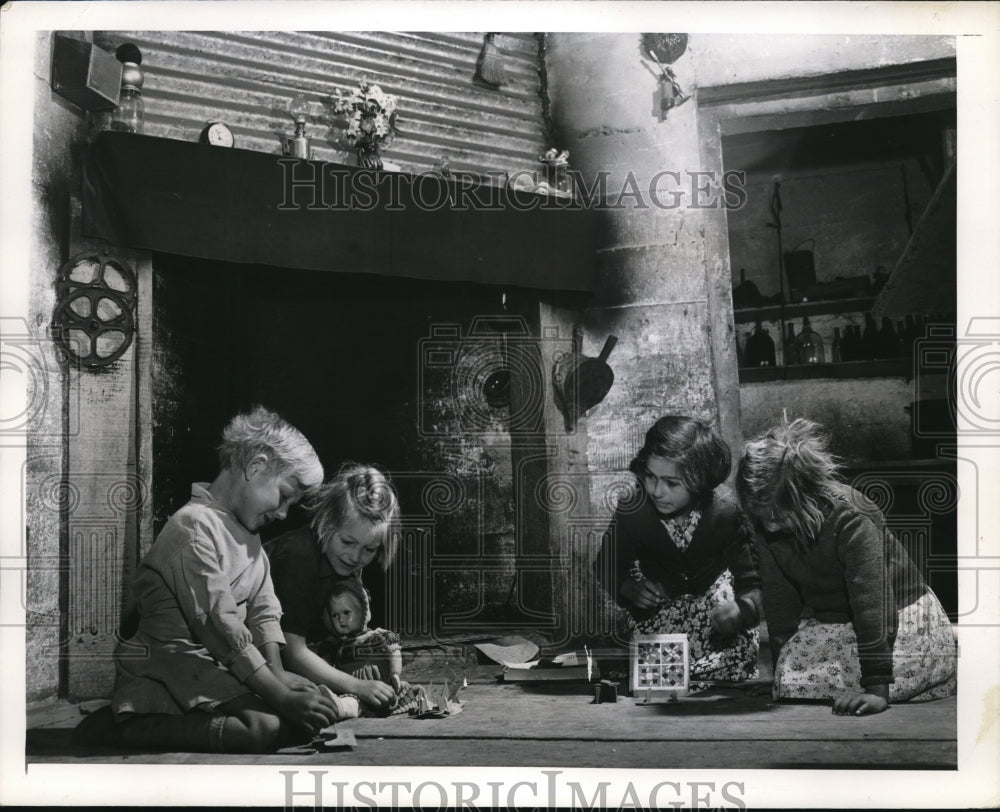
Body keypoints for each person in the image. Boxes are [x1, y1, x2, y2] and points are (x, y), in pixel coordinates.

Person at [77, 406, 347, 753]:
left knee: (304, 706)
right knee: (263, 727)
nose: (282, 514)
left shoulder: (249, 536)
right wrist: (279, 694)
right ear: (256, 466)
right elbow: (220, 624)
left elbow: (264, 612)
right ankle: (126, 727)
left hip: (220, 660)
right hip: (172, 665)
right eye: (284, 496)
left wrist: (279, 676)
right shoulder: (192, 527)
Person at [736, 418, 957, 716]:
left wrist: (877, 689)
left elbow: (872, 605)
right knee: (794, 681)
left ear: (807, 497)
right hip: (839, 622)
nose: (769, 526)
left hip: (896, 618)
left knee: (901, 674)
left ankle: (886, 679)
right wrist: (780, 676)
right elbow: (779, 600)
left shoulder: (853, 517)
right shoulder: (766, 523)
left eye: (778, 515)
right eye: (761, 517)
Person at [593, 415, 763, 682]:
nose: (657, 491)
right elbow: (606, 565)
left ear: (699, 480)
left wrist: (743, 609)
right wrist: (630, 588)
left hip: (715, 621)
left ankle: (681, 675)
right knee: (656, 667)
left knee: (736, 658)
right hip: (660, 617)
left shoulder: (726, 516)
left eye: (672, 483)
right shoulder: (633, 511)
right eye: (650, 476)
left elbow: (754, 581)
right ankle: (674, 674)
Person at [266, 462, 400, 713]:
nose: (355, 557)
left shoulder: (344, 559)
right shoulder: (297, 556)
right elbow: (292, 653)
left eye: (369, 549)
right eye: (348, 541)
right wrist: (358, 686)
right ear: (327, 522)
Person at [317, 580, 406, 704]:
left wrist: (395, 673)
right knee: (350, 701)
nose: (341, 619)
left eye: (346, 612)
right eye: (335, 615)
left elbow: (394, 654)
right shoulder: (336, 645)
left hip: (381, 688)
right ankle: (342, 707)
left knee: (405, 692)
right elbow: (321, 666)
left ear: (365, 611)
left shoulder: (379, 636)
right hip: (349, 690)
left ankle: (343, 707)